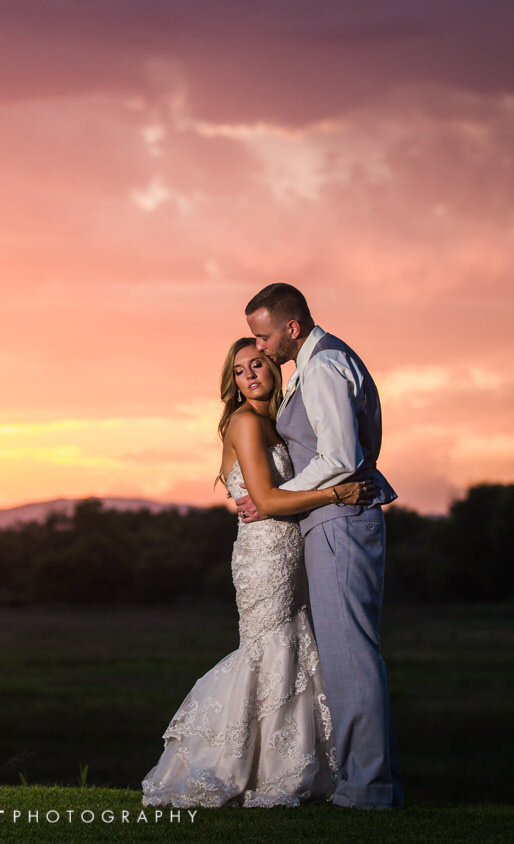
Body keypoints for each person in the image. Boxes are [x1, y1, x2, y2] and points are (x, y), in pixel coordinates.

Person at [141, 338, 375, 809]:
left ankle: (290, 765)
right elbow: (266, 502)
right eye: (240, 369)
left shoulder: (278, 423)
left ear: (273, 366)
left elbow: (275, 494)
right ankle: (235, 764)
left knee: (292, 646)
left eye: (258, 363)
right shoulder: (246, 422)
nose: (250, 374)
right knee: (268, 647)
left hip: (292, 546)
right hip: (264, 555)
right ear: (233, 380)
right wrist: (337, 495)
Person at [240, 282, 403, 809]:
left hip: (340, 519)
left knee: (350, 656)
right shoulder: (318, 365)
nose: (259, 348)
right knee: (346, 654)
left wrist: (270, 498)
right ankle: (367, 782)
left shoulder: (326, 367)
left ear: (291, 327)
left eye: (263, 337)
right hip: (334, 519)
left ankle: (367, 789)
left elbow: (338, 455)